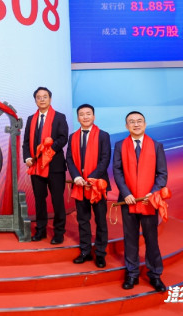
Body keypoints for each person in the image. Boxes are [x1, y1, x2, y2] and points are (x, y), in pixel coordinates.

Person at [113, 111, 168, 292]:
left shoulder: (156, 146)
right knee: (130, 238)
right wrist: (126, 193)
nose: (136, 124)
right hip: (128, 200)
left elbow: (162, 174)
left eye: (139, 121)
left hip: (148, 201)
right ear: (126, 126)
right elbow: (117, 171)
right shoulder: (120, 146)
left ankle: (155, 274)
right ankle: (132, 273)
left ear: (145, 124)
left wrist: (152, 193)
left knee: (151, 238)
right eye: (132, 122)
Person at [66, 104, 111, 268]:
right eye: (81, 114)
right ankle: (85, 251)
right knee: (83, 220)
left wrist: (92, 177)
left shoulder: (103, 135)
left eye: (88, 114)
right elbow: (69, 159)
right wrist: (77, 177)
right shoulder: (73, 137)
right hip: (80, 184)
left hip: (97, 185)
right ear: (78, 118)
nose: (85, 117)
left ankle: (100, 253)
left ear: (94, 116)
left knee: (100, 221)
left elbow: (105, 159)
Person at [22, 87, 69, 244]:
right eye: (39, 97)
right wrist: (27, 157)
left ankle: (59, 233)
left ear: (50, 99)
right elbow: (26, 142)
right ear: (35, 100)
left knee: (57, 200)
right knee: (39, 200)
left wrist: (48, 151)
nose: (42, 99)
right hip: (36, 166)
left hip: (55, 167)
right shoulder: (31, 119)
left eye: (45, 96)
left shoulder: (59, 117)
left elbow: (63, 138)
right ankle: (40, 230)